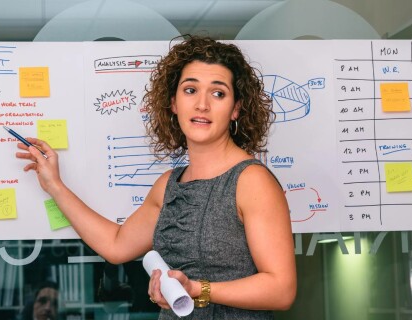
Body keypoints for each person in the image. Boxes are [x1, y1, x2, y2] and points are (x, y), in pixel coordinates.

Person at [16, 35, 296, 319]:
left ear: (236, 108)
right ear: (173, 103)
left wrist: (200, 289)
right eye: (190, 90)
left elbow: (281, 289)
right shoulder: (169, 184)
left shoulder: (251, 181)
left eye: (218, 93)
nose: (202, 104)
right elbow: (116, 245)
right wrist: (55, 185)